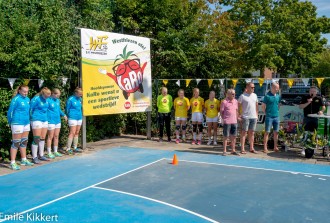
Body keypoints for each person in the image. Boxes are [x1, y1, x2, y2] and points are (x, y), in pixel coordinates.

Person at [7, 85, 34, 170]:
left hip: (26, 123)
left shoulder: (27, 99)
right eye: (24, 91)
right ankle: (12, 162)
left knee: (24, 141)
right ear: (19, 91)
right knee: (16, 142)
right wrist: (10, 122)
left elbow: (29, 111)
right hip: (17, 122)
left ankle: (23, 159)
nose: (26, 93)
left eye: (27, 91)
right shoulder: (16, 99)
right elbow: (10, 112)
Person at [30, 87, 51, 164]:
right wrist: (32, 118)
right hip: (36, 120)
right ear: (43, 93)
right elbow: (30, 109)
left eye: (49, 94)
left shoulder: (47, 100)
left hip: (44, 120)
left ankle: (41, 155)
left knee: (42, 138)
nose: (48, 96)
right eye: (47, 95)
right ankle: (34, 157)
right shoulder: (36, 99)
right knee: (36, 138)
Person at [46, 88, 67, 158]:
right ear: (53, 94)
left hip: (57, 121)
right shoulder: (48, 100)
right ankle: (49, 152)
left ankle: (55, 151)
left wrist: (64, 115)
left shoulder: (57, 100)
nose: (58, 97)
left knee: (56, 136)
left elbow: (58, 109)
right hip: (50, 121)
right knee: (50, 137)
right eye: (57, 95)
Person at [238, 82, 259, 154]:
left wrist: (257, 115)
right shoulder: (242, 96)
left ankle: (251, 148)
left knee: (252, 133)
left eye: (254, 87)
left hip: (253, 117)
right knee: (244, 132)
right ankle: (242, 149)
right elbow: (238, 106)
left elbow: (256, 106)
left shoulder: (255, 95)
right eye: (252, 87)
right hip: (245, 117)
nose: (253, 88)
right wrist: (239, 115)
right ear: (247, 87)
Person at [262, 82, 281, 153]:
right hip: (269, 117)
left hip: (276, 116)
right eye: (277, 88)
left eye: (278, 88)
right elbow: (263, 106)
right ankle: (265, 147)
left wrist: (276, 111)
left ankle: (275, 147)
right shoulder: (267, 96)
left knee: (276, 132)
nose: (278, 89)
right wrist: (266, 113)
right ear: (272, 88)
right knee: (267, 132)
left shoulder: (278, 96)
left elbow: (279, 105)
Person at [220, 89, 240, 156]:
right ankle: (224, 151)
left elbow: (237, 111)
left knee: (233, 136)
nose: (234, 95)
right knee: (226, 136)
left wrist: (237, 118)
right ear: (228, 94)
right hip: (227, 122)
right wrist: (224, 119)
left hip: (234, 122)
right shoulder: (224, 102)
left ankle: (233, 150)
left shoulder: (236, 101)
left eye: (234, 93)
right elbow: (221, 112)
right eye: (232, 94)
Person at [66, 87, 83, 153]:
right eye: (80, 94)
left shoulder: (80, 99)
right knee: (72, 132)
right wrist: (68, 116)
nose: (81, 95)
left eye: (81, 94)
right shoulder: (71, 99)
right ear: (76, 93)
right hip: (72, 117)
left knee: (77, 132)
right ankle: (68, 148)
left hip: (79, 117)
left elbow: (81, 107)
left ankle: (75, 147)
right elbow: (67, 109)